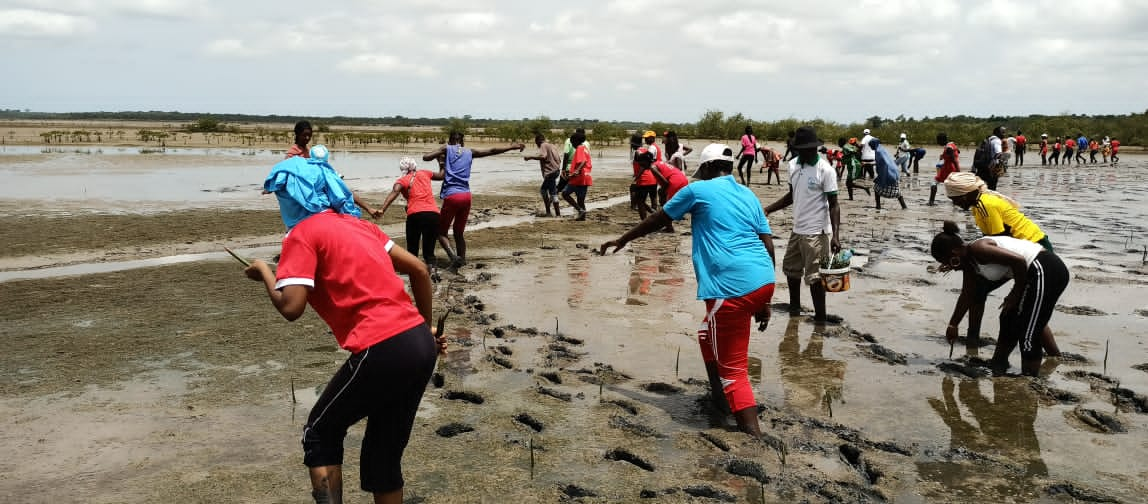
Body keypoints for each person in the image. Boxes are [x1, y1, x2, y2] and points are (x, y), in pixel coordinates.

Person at [251, 152, 443, 504]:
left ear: (292, 196)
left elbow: (291, 308)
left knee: (320, 433)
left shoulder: (301, 235)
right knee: (383, 457)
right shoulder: (361, 226)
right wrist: (427, 327)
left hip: (381, 348)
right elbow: (418, 269)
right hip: (418, 343)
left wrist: (265, 271)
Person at [599, 143, 777, 438]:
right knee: (707, 334)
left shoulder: (699, 190)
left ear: (707, 168)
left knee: (734, 371)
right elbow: (768, 245)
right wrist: (766, 298)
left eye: (701, 171)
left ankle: (753, 437)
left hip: (729, 288)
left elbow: (659, 219)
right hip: (762, 280)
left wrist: (623, 239)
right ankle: (719, 401)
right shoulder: (748, 194)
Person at [930, 221, 1068, 376]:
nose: (952, 268)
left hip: (1045, 269)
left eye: (950, 263)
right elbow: (967, 294)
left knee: (1028, 331)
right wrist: (953, 324)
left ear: (955, 254)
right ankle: (999, 362)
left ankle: (1030, 378)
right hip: (1029, 276)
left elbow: (1019, 261)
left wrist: (1015, 294)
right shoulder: (970, 264)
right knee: (1008, 317)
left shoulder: (979, 249)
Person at [942, 172, 1059, 353]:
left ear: (964, 195)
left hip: (1034, 252)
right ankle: (972, 341)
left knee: (1027, 308)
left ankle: (1053, 354)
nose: (955, 204)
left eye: (955, 199)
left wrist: (968, 263)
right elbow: (991, 241)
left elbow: (999, 243)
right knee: (979, 291)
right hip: (1019, 252)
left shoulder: (985, 206)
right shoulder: (978, 205)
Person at [764, 126, 842, 323]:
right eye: (803, 149)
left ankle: (820, 319)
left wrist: (836, 236)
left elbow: (834, 205)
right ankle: (795, 309)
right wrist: (768, 209)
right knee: (791, 270)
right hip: (797, 230)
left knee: (815, 279)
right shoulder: (792, 165)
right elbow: (792, 195)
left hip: (817, 232)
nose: (808, 152)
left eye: (811, 149)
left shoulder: (826, 170)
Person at [423, 132, 525, 269]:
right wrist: (512, 147)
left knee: (441, 233)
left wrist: (441, 156)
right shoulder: (469, 152)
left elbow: (425, 157)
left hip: (452, 196)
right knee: (459, 232)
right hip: (466, 196)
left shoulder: (446, 148)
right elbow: (492, 150)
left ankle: (454, 258)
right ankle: (462, 260)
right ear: (462, 142)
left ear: (450, 141)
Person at [375, 157, 443, 274]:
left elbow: (395, 192)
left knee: (412, 249)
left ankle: (414, 273)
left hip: (415, 215)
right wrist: (442, 162)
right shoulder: (424, 173)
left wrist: (382, 209)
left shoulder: (402, 180)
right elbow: (442, 175)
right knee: (429, 251)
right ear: (414, 166)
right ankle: (433, 272)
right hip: (433, 214)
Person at [634, 149, 689, 232]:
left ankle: (669, 228)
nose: (641, 166)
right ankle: (668, 225)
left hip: (675, 182)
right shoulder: (658, 162)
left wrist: (662, 191)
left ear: (645, 161)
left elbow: (665, 182)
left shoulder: (653, 167)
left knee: (666, 206)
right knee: (667, 205)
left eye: (641, 163)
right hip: (682, 179)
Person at [523, 133, 563, 217]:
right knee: (550, 192)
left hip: (550, 173)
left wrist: (530, 157)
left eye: (536, 143)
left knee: (546, 191)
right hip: (556, 171)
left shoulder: (543, 145)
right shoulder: (552, 145)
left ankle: (551, 212)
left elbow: (543, 156)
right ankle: (555, 213)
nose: (537, 145)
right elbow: (559, 159)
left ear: (538, 141)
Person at [561, 130, 593, 220]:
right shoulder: (585, 148)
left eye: (572, 142)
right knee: (580, 199)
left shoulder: (579, 148)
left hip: (579, 177)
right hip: (586, 176)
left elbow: (583, 161)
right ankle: (582, 217)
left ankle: (580, 211)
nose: (572, 144)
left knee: (565, 194)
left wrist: (575, 172)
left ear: (575, 141)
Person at [872, 137, 908, 210]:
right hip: (894, 172)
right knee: (898, 193)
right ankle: (904, 207)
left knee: (876, 188)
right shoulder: (882, 150)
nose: (870, 146)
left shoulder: (878, 152)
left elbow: (882, 164)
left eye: (870, 145)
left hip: (888, 173)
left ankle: (878, 206)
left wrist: (881, 177)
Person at [929, 133, 960, 206]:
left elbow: (954, 160)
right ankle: (955, 204)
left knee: (934, 183)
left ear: (942, 140)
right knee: (953, 187)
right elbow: (957, 152)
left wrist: (959, 172)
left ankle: (931, 202)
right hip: (949, 169)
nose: (937, 142)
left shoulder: (948, 148)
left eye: (938, 140)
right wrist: (944, 155)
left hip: (949, 170)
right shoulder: (951, 145)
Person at [631, 146, 660, 221]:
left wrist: (637, 176)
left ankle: (645, 220)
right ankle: (654, 214)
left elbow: (642, 166)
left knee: (640, 201)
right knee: (653, 197)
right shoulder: (647, 150)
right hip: (653, 178)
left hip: (644, 179)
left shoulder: (637, 152)